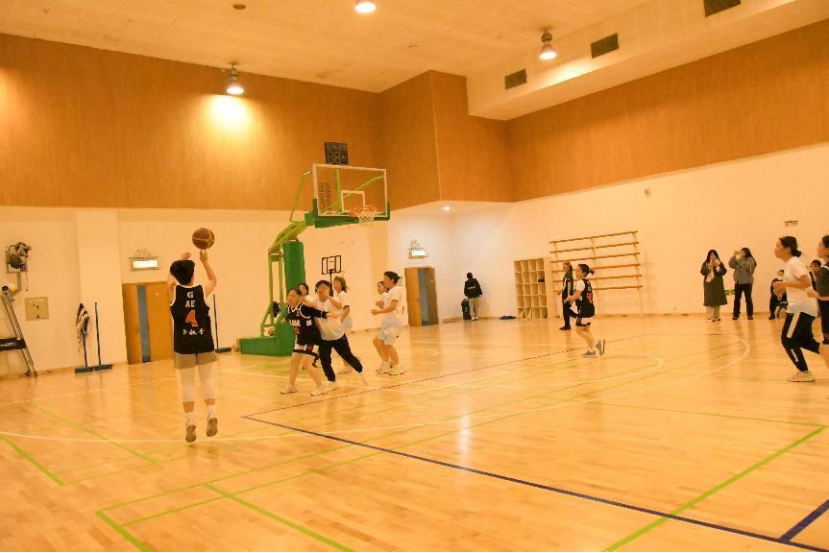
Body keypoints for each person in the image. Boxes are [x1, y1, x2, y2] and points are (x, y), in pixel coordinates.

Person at [168, 251, 218, 444]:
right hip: (203, 340)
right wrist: (205, 261)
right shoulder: (201, 290)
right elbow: (213, 280)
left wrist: (179, 261)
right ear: (193, 275)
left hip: (184, 343)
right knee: (207, 379)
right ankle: (211, 414)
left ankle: (190, 421)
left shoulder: (173, 291)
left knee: (187, 383)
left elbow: (170, 279)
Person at [772, 236, 829, 383]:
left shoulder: (793, 263)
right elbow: (800, 285)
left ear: (787, 249)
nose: (775, 249)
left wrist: (783, 285)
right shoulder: (791, 263)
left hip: (800, 308)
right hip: (805, 307)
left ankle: (804, 372)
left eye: (778, 246)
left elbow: (806, 282)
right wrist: (784, 289)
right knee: (804, 340)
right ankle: (825, 352)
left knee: (787, 339)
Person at [314, 280, 368, 387]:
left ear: (329, 290)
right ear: (316, 289)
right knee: (324, 360)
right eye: (320, 287)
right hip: (324, 337)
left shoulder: (332, 300)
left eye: (325, 287)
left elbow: (339, 307)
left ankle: (361, 372)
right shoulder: (314, 301)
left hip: (338, 335)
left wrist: (327, 296)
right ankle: (332, 381)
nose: (322, 289)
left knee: (347, 356)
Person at [280, 288, 330, 397]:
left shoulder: (304, 307)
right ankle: (291, 386)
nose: (290, 298)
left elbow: (317, 312)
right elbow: (291, 316)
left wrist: (329, 314)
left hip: (312, 339)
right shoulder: (289, 308)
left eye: (293, 296)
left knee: (307, 363)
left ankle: (321, 387)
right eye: (289, 295)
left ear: (299, 297)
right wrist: (282, 321)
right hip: (300, 339)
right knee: (293, 361)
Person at [565, 263, 605, 358]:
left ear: (584, 273)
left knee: (579, 331)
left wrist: (569, 298)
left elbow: (577, 295)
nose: (576, 272)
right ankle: (591, 351)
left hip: (584, 310)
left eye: (578, 270)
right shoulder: (586, 281)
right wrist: (573, 300)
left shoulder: (580, 282)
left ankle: (597, 344)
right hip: (590, 309)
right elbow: (580, 296)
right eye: (576, 270)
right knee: (586, 330)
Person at [372, 271, 405, 376]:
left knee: (388, 344)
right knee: (381, 342)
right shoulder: (390, 292)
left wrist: (379, 311)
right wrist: (381, 305)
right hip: (387, 323)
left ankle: (397, 366)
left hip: (394, 323)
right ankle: (386, 364)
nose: (384, 280)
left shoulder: (395, 291)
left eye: (386, 278)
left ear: (392, 280)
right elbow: (387, 306)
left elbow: (392, 307)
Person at [807, 236, 829, 345]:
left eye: (820, 245)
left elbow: (825, 296)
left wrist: (812, 293)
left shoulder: (824, 270)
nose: (817, 248)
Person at [729, 248, 757, 320]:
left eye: (742, 252)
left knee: (748, 299)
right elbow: (731, 264)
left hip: (747, 282)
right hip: (738, 282)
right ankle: (735, 314)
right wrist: (734, 256)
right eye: (740, 252)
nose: (740, 253)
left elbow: (747, 267)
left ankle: (750, 314)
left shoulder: (750, 259)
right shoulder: (739, 259)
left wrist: (739, 263)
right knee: (737, 299)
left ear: (746, 252)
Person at [701, 250, 728, 322]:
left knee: (718, 300)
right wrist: (709, 267)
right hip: (709, 284)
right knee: (710, 300)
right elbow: (702, 272)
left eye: (714, 254)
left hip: (718, 283)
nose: (712, 256)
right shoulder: (706, 263)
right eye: (711, 255)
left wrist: (717, 267)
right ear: (709, 256)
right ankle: (710, 317)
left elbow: (724, 271)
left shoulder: (719, 263)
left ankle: (716, 317)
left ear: (716, 256)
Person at [560, 262, 575, 331]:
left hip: (567, 293)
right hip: (565, 292)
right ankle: (567, 325)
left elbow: (569, 284)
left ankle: (577, 317)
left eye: (564, 265)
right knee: (565, 309)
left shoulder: (569, 273)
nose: (563, 266)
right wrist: (560, 290)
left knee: (566, 309)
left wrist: (568, 295)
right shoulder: (567, 273)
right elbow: (565, 285)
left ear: (568, 266)